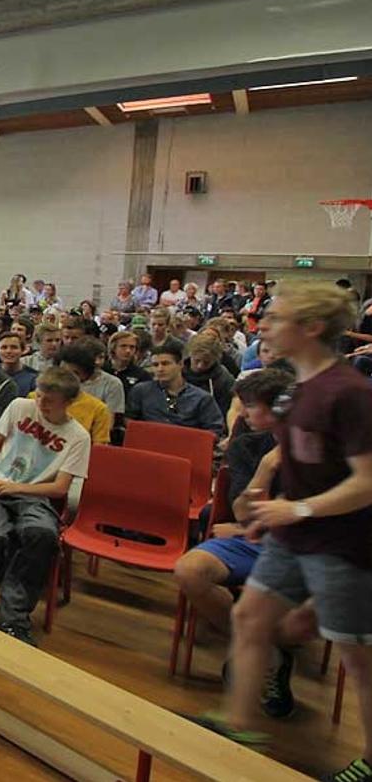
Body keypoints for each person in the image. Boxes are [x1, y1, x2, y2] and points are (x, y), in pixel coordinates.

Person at [191, 284, 372, 782]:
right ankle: (239, 723)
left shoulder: (350, 394)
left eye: (277, 317)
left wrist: (299, 509)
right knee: (251, 618)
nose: (264, 325)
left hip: (345, 545)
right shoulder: (296, 390)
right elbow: (295, 461)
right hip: (292, 536)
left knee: (358, 659)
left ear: (312, 328)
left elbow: (367, 482)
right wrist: (259, 498)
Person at [173, 369, 314, 719]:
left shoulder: (319, 449)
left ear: (278, 410)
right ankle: (268, 653)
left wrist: (245, 527)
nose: (242, 413)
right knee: (189, 570)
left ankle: (261, 651)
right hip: (255, 540)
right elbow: (240, 510)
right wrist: (267, 468)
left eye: (250, 406)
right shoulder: (250, 445)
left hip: (302, 548)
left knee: (298, 617)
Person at [0, 368, 92, 645]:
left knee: (41, 535)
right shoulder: (21, 406)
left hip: (36, 496)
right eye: (40, 396)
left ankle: (14, 616)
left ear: (68, 403)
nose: (41, 405)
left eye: (49, 401)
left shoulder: (78, 436)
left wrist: (17, 487)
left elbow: (59, 488)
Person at [126, 338, 224, 436]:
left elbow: (214, 430)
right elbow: (128, 420)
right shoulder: (141, 391)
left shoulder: (202, 398)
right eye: (155, 365)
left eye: (165, 364)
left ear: (180, 364)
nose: (160, 369)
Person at [0, 330, 39, 398]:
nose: (8, 351)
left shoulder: (33, 378)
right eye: (4, 347)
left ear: (23, 350)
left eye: (14, 347)